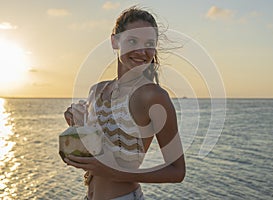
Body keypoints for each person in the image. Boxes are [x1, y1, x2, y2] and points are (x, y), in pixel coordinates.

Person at [63, 6, 185, 200]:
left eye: (149, 43)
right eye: (132, 41)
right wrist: (77, 126)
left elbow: (177, 171)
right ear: (115, 41)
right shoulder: (97, 90)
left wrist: (115, 172)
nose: (142, 51)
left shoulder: (153, 96)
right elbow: (99, 153)